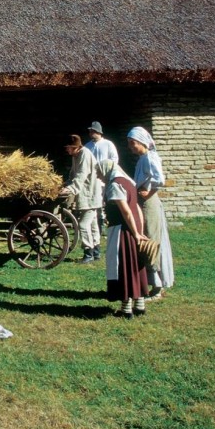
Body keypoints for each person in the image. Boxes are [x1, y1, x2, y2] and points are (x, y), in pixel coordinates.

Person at [97, 159, 150, 318]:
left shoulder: (115, 185)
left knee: (123, 267)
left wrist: (135, 233)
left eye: (99, 172)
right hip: (133, 228)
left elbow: (126, 211)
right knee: (136, 265)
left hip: (122, 231)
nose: (99, 175)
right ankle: (140, 304)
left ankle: (126, 308)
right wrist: (140, 230)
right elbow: (137, 209)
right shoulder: (129, 182)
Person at [127, 127, 175, 299]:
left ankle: (158, 285)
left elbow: (159, 179)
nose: (131, 147)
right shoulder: (142, 159)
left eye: (133, 144)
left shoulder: (150, 157)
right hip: (143, 202)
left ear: (141, 142)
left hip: (149, 203)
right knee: (146, 238)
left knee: (151, 240)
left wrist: (150, 193)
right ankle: (150, 282)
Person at [60, 134, 102, 263]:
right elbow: (73, 174)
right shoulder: (76, 155)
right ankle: (96, 251)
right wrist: (65, 184)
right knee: (93, 224)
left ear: (74, 147)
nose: (67, 150)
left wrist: (70, 189)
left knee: (83, 225)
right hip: (87, 194)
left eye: (68, 148)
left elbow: (81, 176)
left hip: (90, 194)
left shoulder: (85, 154)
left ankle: (88, 253)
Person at [85, 121, 118, 236]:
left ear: (98, 132)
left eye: (92, 131)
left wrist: (107, 173)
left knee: (105, 201)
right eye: (90, 131)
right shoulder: (87, 146)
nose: (90, 133)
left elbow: (114, 159)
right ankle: (96, 224)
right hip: (92, 179)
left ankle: (104, 223)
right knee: (95, 201)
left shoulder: (108, 144)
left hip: (105, 178)